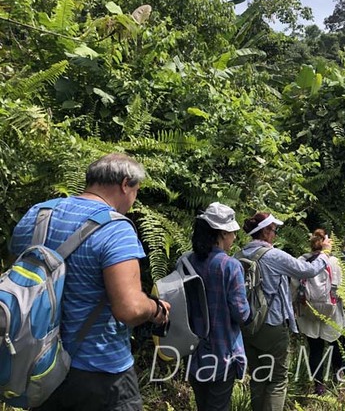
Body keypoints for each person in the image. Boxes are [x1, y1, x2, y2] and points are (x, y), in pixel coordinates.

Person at [9, 153, 170, 411]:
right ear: (125, 183)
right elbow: (129, 308)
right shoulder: (115, 229)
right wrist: (155, 309)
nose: (133, 200)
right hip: (100, 372)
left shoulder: (36, 215)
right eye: (136, 191)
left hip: (39, 366)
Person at [239, 212, 327, 411]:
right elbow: (307, 269)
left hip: (247, 325)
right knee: (277, 379)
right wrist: (325, 255)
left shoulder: (240, 254)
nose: (275, 235)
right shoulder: (274, 255)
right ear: (265, 232)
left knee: (258, 376)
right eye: (273, 230)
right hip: (272, 324)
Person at [187, 202, 250, 411]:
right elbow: (241, 313)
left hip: (193, 352)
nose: (234, 238)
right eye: (232, 232)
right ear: (222, 233)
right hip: (222, 353)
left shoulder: (187, 262)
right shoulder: (230, 266)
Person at [294, 229, 345, 395]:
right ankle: (340, 380)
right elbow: (342, 289)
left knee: (315, 350)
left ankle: (319, 385)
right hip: (332, 312)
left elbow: (294, 288)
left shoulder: (302, 260)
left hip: (309, 313)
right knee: (335, 347)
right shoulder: (334, 262)